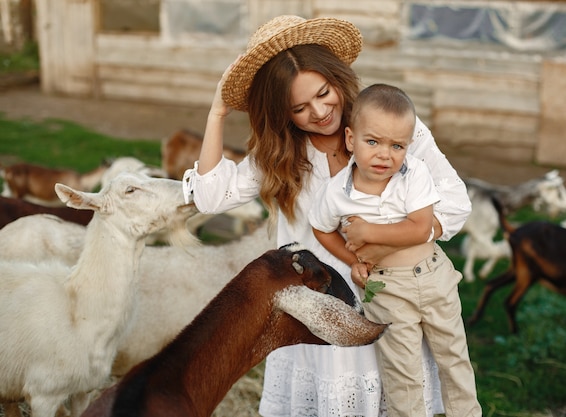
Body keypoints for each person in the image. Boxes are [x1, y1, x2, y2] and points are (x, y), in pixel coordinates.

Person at [182, 14, 472, 417]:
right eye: (299, 107)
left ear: (338, 78)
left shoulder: (387, 129)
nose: (319, 112)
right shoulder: (280, 154)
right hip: (320, 304)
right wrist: (217, 112)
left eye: (324, 93)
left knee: (400, 394)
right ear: (282, 113)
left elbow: (455, 202)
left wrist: (394, 238)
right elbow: (211, 198)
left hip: (394, 295)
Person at [309, 83, 482, 417]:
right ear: (350, 139)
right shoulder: (336, 193)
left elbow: (420, 228)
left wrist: (368, 232)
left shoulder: (414, 173)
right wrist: (354, 260)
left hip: (432, 277)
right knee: (402, 372)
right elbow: (320, 228)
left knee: (454, 358)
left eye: (397, 145)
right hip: (385, 289)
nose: (385, 154)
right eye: (372, 141)